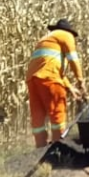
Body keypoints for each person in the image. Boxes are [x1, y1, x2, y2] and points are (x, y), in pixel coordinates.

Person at [26, 19, 85, 148]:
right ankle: (59, 147)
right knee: (57, 112)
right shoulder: (66, 35)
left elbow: (49, 68)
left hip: (32, 79)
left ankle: (40, 147)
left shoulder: (46, 39)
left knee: (38, 114)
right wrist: (80, 80)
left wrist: (70, 88)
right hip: (49, 78)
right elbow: (73, 59)